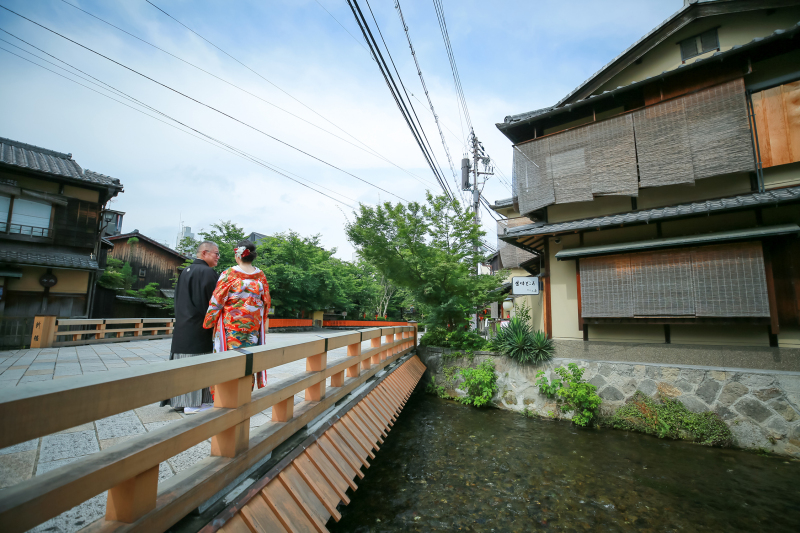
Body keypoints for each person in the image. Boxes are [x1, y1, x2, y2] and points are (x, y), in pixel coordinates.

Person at [203, 240, 270, 388]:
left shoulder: (229, 274)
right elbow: (266, 302)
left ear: (237, 255)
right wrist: (261, 320)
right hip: (253, 327)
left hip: (231, 327)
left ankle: (228, 393)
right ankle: (246, 391)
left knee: (230, 358)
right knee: (249, 359)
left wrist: (209, 321)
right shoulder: (260, 276)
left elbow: (217, 300)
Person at [163, 241, 220, 414]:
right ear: (204, 253)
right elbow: (213, 304)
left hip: (182, 324)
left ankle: (181, 400)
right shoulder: (208, 272)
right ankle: (194, 404)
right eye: (216, 253)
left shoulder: (185, 271)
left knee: (182, 363)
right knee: (199, 363)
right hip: (198, 326)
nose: (218, 257)